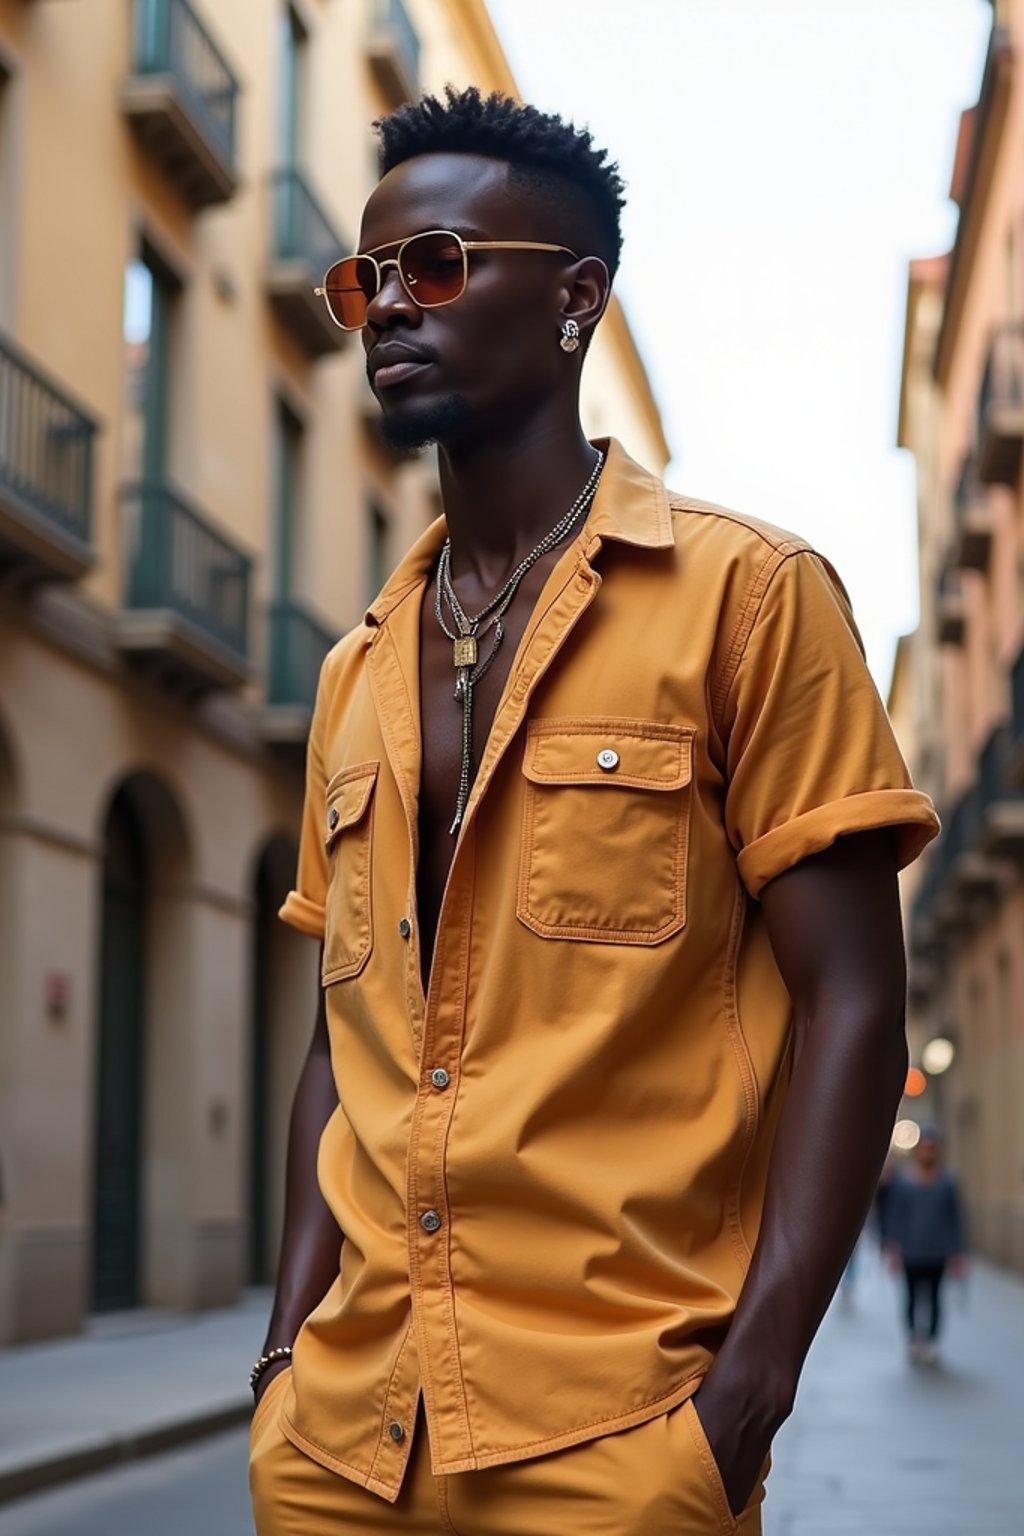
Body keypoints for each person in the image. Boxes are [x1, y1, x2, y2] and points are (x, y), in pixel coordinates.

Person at [248, 86, 940, 1535]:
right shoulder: (352, 672)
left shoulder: (752, 600)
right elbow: (338, 1039)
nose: (385, 305)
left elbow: (857, 1007)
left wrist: (743, 1399)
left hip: (618, 1442)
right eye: (363, 278)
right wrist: (282, 1350)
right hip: (341, 1451)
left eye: (432, 264)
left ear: (575, 299)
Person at [885, 1127, 967, 1365]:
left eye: (932, 1148)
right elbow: (895, 1215)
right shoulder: (903, 1182)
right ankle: (913, 1338)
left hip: (937, 1252)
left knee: (934, 1297)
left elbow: (955, 1219)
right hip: (911, 1250)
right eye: (925, 1148)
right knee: (911, 1297)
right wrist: (892, 1247)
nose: (928, 1153)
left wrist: (957, 1253)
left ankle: (930, 1340)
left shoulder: (947, 1182)